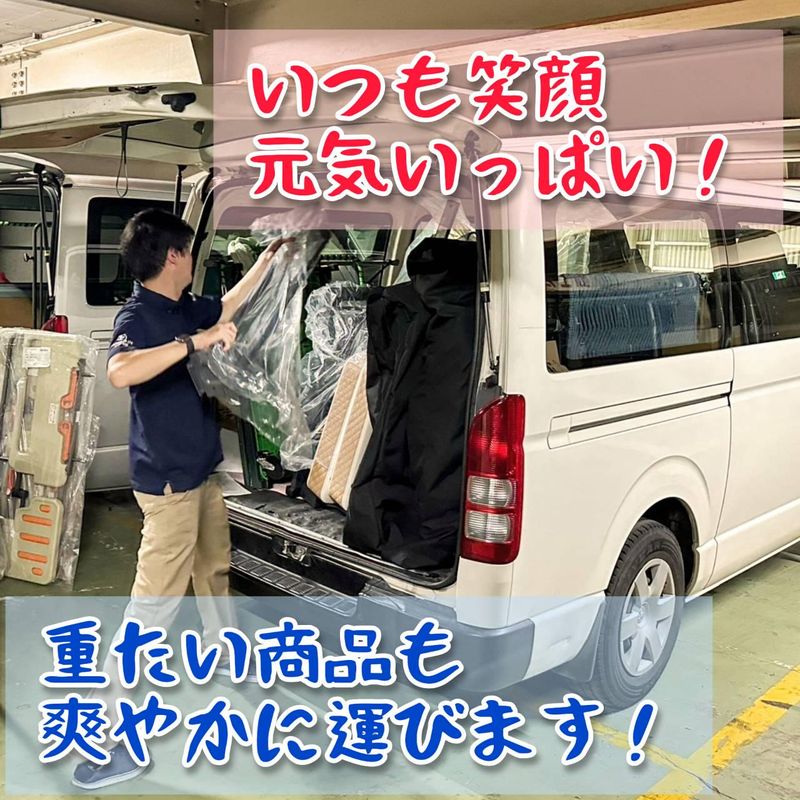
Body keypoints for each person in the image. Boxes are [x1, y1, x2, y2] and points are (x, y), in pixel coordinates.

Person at [72, 208, 285, 789]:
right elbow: (121, 372)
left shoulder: (184, 305)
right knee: (153, 607)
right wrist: (193, 342)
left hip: (201, 474)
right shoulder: (139, 315)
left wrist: (271, 260)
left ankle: (228, 660)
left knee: (213, 570)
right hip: (167, 485)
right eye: (190, 250)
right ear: (173, 255)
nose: (193, 259)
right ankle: (110, 739)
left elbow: (229, 306)